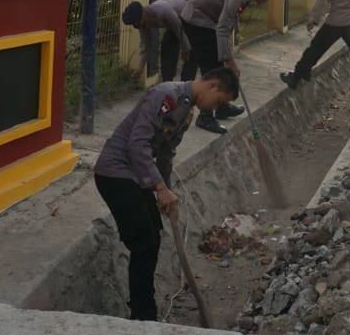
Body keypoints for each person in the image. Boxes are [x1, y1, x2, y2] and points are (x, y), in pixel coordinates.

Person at [94, 66, 240, 321]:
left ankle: (143, 308)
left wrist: (166, 190)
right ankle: (143, 315)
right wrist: (159, 188)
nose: (214, 108)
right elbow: (137, 143)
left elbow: (165, 155)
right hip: (116, 173)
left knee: (153, 237)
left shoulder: (186, 111)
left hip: (137, 176)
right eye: (218, 101)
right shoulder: (166, 96)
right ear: (212, 85)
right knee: (143, 242)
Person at [180, 0, 279, 133]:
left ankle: (222, 107)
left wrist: (227, 55)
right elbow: (222, 29)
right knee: (211, 66)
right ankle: (205, 116)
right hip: (195, 19)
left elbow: (229, 22)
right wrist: (230, 60)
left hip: (208, 21)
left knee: (219, 64)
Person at [121, 0, 196, 82]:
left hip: (190, 16)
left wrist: (185, 50)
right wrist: (140, 68)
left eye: (138, 22)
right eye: (135, 24)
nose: (138, 25)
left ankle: (187, 84)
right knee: (167, 44)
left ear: (143, 12)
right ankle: (167, 82)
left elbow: (179, 30)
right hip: (175, 23)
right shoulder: (142, 24)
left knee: (192, 50)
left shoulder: (164, 11)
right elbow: (145, 44)